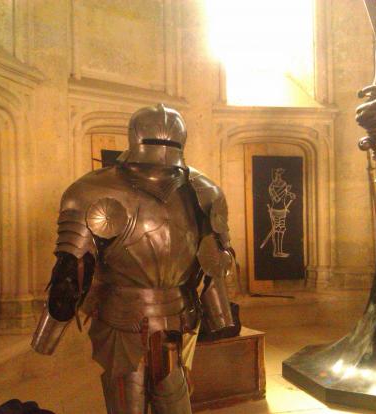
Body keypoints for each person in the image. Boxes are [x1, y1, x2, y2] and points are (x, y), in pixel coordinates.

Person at [32, 104, 239, 414]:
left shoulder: (204, 191)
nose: (163, 153)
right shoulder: (92, 191)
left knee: (174, 398)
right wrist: (48, 335)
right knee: (128, 399)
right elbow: (70, 276)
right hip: (121, 316)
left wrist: (219, 317)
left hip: (177, 315)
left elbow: (212, 261)